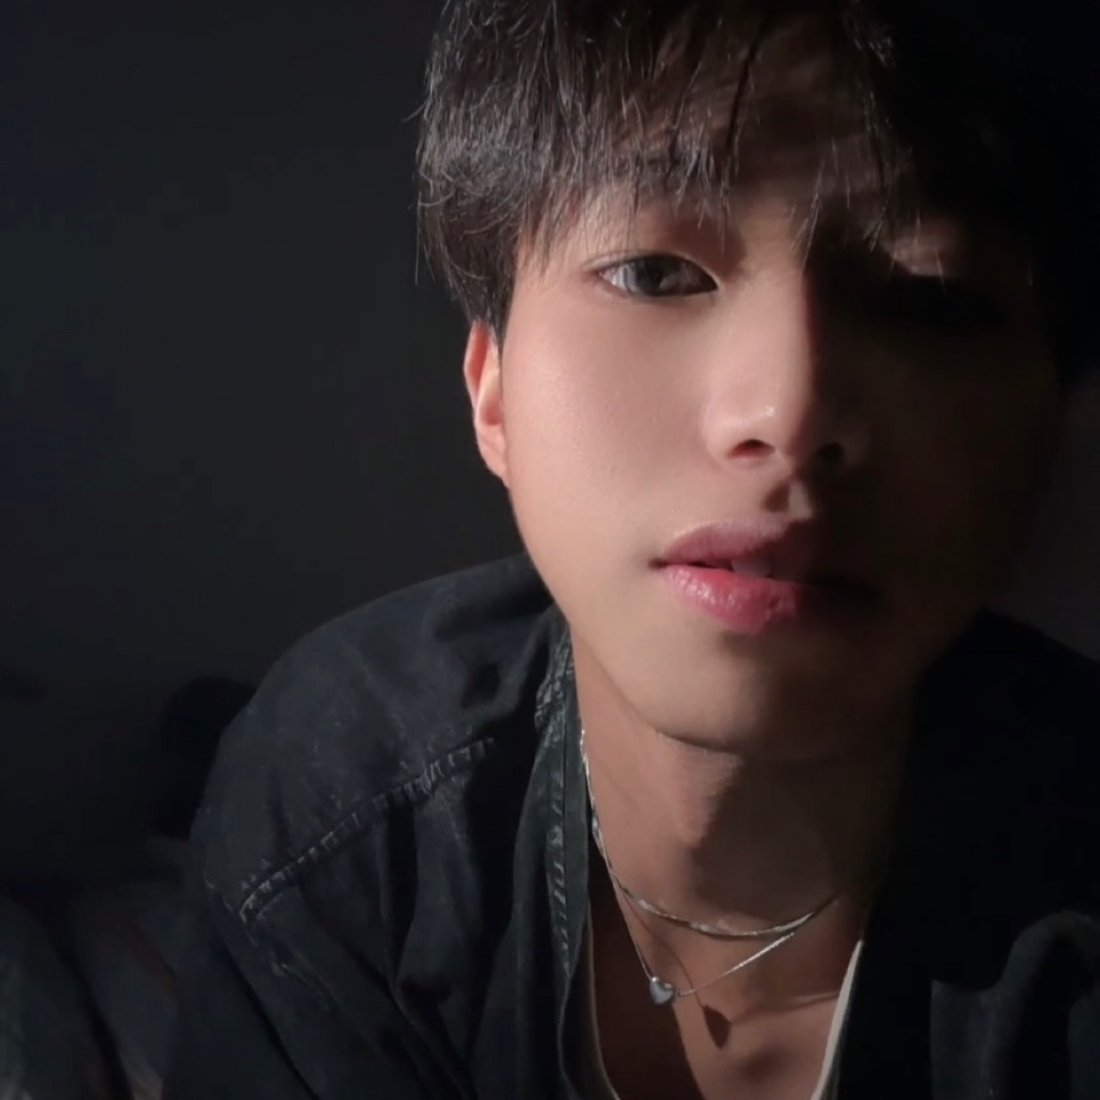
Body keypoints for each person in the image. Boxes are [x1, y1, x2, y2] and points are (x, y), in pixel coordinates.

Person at [165, 1, 1100, 1097]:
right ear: (494, 393)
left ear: (1052, 420)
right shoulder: (342, 808)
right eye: (655, 273)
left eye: (928, 297)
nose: (787, 411)